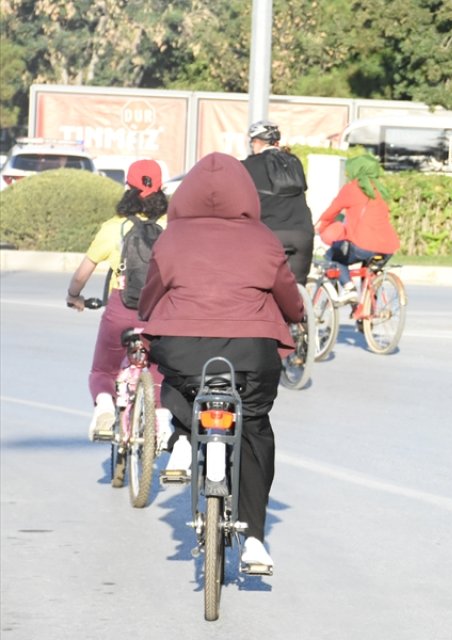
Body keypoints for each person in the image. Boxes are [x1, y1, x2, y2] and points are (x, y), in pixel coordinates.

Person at [138, 152, 306, 570]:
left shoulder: (170, 237)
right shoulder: (263, 237)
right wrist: (297, 317)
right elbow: (288, 296)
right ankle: (254, 541)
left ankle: (181, 437)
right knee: (254, 430)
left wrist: (149, 313)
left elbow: (150, 297)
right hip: (252, 353)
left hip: (184, 348)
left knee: (176, 376)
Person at [66, 159, 171, 441]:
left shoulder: (114, 227)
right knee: (160, 368)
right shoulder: (171, 226)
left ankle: (104, 405)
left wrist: (73, 296)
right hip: (158, 312)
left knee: (103, 369)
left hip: (121, 308)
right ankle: (161, 419)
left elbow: (81, 274)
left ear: (128, 188)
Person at [313, 155, 402, 303]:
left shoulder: (352, 188)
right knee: (368, 273)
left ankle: (349, 288)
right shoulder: (380, 190)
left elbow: (331, 213)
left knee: (332, 256)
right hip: (387, 248)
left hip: (363, 245)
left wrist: (319, 227)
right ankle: (367, 312)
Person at [242, 119, 314, 285]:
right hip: (302, 234)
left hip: (268, 234)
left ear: (257, 142)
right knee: (296, 292)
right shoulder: (294, 162)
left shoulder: (247, 166)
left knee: (260, 287)